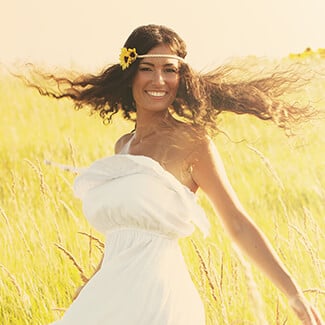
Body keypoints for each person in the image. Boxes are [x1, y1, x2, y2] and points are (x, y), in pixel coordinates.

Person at [23, 24, 323, 324]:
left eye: (169, 70)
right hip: (110, 293)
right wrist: (93, 282)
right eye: (147, 68)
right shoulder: (124, 146)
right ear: (130, 73)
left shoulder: (192, 142)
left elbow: (236, 223)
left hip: (159, 297)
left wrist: (293, 294)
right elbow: (126, 232)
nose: (159, 80)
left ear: (181, 78)